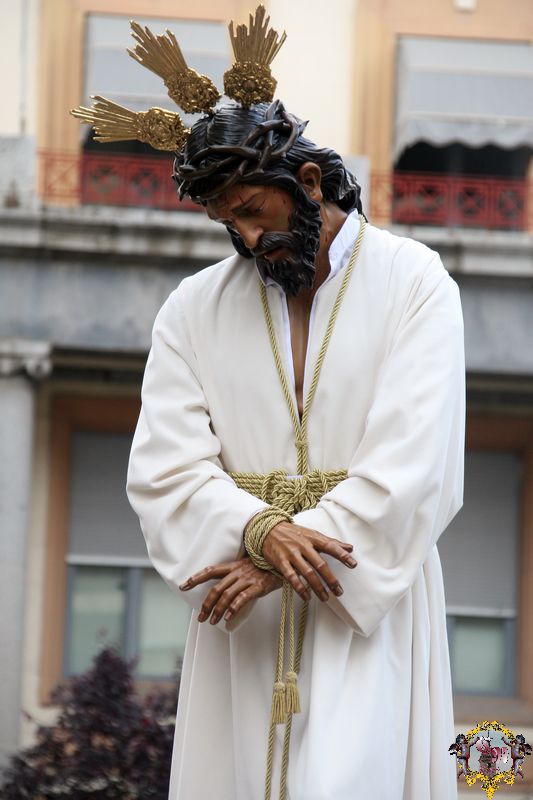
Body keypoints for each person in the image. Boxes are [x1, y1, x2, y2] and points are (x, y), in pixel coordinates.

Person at [73, 7, 465, 799]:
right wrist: (257, 533)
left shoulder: (414, 283)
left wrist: (282, 558)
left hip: (362, 599)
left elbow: (415, 459)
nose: (248, 239)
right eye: (228, 223)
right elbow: (165, 467)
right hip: (241, 624)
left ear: (307, 183)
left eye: (253, 211)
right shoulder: (192, 308)